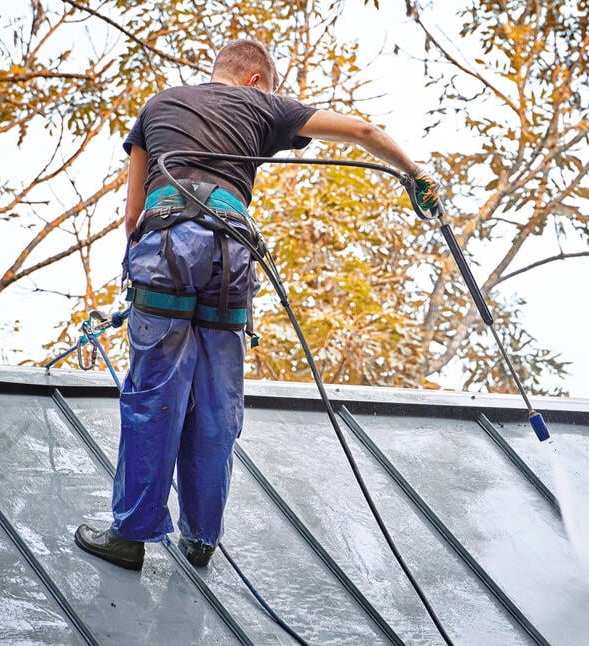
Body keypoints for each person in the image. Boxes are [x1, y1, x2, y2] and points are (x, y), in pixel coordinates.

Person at [74, 38, 439, 570]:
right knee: (218, 402)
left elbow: (131, 218)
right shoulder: (265, 105)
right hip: (229, 254)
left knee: (153, 391)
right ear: (256, 80)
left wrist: (147, 274)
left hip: (166, 247)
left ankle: (130, 535)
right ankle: (201, 539)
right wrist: (415, 172)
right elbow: (363, 132)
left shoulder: (159, 104)